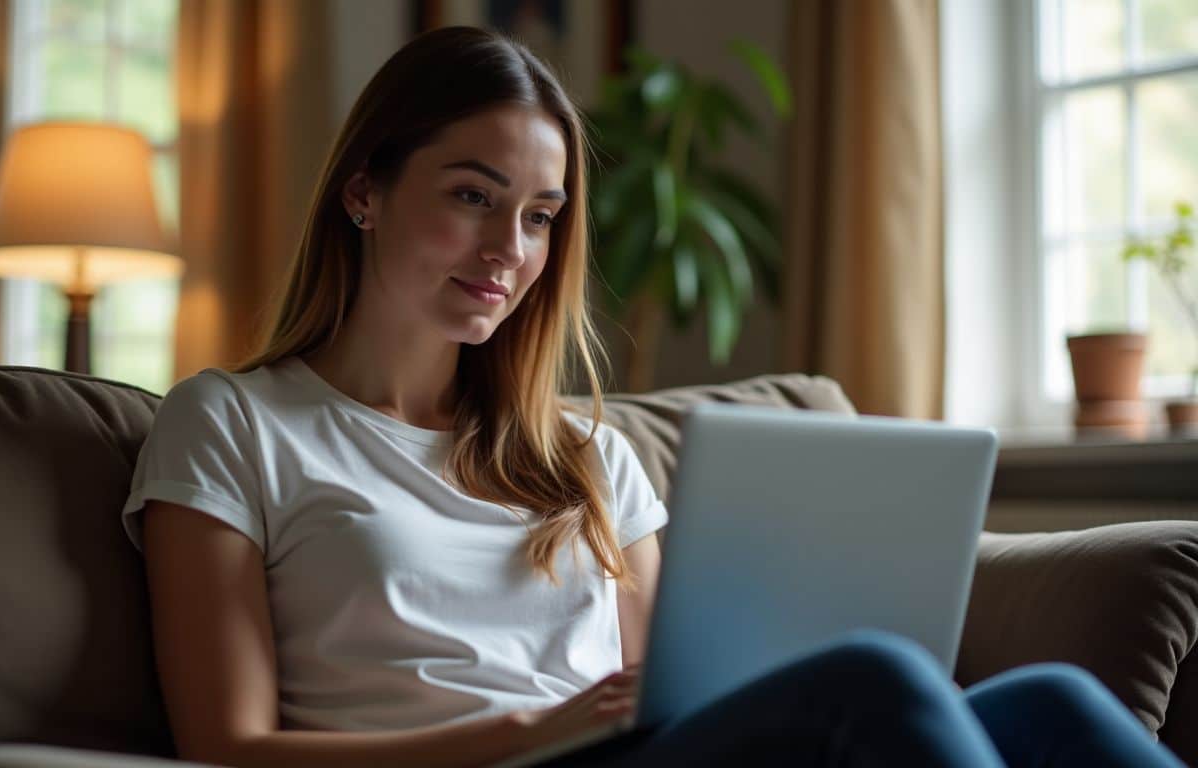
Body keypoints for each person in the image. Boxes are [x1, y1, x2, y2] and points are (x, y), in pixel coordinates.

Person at [121, 25, 1184, 768]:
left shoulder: (584, 456)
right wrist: (526, 735)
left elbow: (671, 689)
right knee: (876, 686)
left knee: (1049, 702)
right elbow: (230, 746)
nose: (508, 249)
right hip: (489, 767)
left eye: (540, 216)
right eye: (471, 197)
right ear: (364, 191)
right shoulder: (231, 421)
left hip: (634, 757)